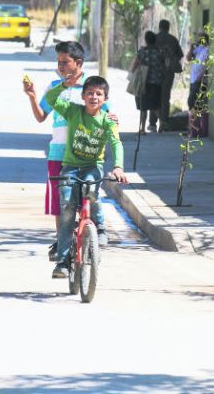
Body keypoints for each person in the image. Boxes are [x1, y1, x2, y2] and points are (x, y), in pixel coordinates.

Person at [22, 41, 116, 260]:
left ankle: (94, 232)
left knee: (89, 196)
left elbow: (107, 115)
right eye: (58, 61)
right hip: (57, 153)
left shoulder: (92, 88)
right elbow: (40, 117)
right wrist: (33, 97)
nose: (61, 66)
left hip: (86, 154)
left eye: (65, 62)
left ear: (79, 63)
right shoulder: (55, 86)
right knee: (60, 204)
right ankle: (61, 241)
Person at [44, 74, 129, 279]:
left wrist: (118, 167)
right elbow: (50, 100)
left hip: (92, 167)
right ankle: (62, 262)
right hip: (70, 168)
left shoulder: (107, 121)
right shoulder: (73, 112)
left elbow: (116, 143)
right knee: (67, 211)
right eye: (89, 93)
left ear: (105, 99)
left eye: (99, 94)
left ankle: (99, 227)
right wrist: (64, 85)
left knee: (92, 191)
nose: (94, 97)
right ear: (82, 96)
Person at [129, 31, 167, 134]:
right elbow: (164, 65)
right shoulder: (160, 52)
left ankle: (142, 129)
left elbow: (135, 65)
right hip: (156, 82)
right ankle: (162, 122)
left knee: (143, 106)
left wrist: (131, 74)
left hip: (143, 82)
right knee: (155, 105)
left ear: (146, 40)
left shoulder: (142, 52)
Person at [155, 19, 184, 132]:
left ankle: (153, 123)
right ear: (168, 27)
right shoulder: (173, 39)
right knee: (165, 97)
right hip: (168, 72)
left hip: (155, 73)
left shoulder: (154, 38)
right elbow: (180, 55)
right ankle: (165, 122)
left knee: (155, 96)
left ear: (159, 27)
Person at [186, 30, 210, 135]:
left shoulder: (207, 50)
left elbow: (207, 65)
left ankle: (198, 129)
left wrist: (201, 77)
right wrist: (191, 47)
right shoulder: (198, 49)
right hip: (193, 79)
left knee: (193, 102)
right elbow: (188, 58)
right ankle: (194, 129)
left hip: (199, 80)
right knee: (193, 104)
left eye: (201, 37)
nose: (199, 39)